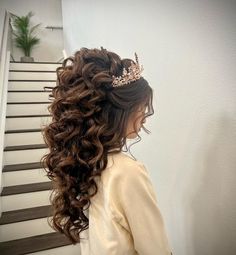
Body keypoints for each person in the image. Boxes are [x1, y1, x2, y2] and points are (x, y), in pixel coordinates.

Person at [41, 47, 173, 254]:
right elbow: (156, 249)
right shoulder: (127, 172)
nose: (144, 115)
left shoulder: (86, 161)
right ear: (121, 110)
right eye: (141, 106)